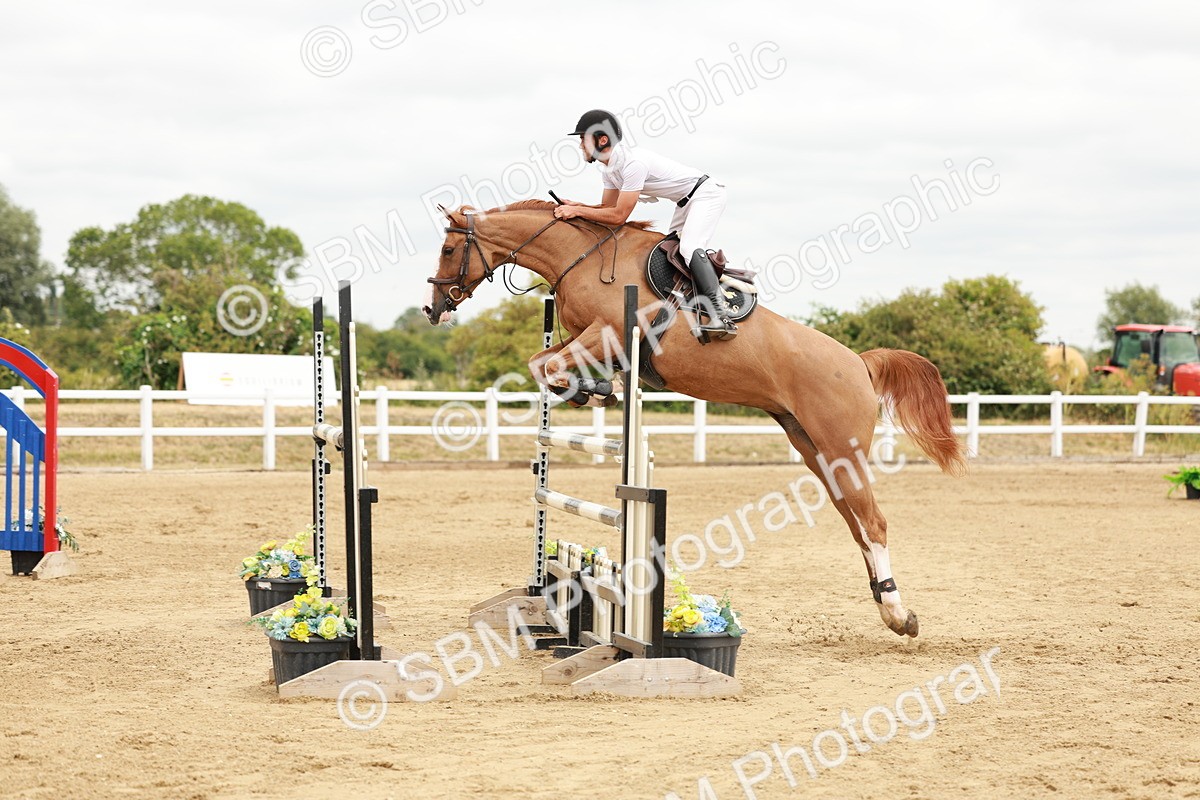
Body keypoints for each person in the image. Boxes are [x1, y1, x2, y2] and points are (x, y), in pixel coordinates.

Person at [553, 108, 738, 340]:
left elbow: (619, 217)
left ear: (602, 139)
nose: (580, 144)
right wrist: (577, 206)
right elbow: (606, 209)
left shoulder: (633, 164)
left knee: (689, 249)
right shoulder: (609, 169)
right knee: (670, 250)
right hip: (685, 202)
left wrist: (578, 211)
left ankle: (721, 315)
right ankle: (690, 305)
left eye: (583, 138)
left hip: (707, 194)